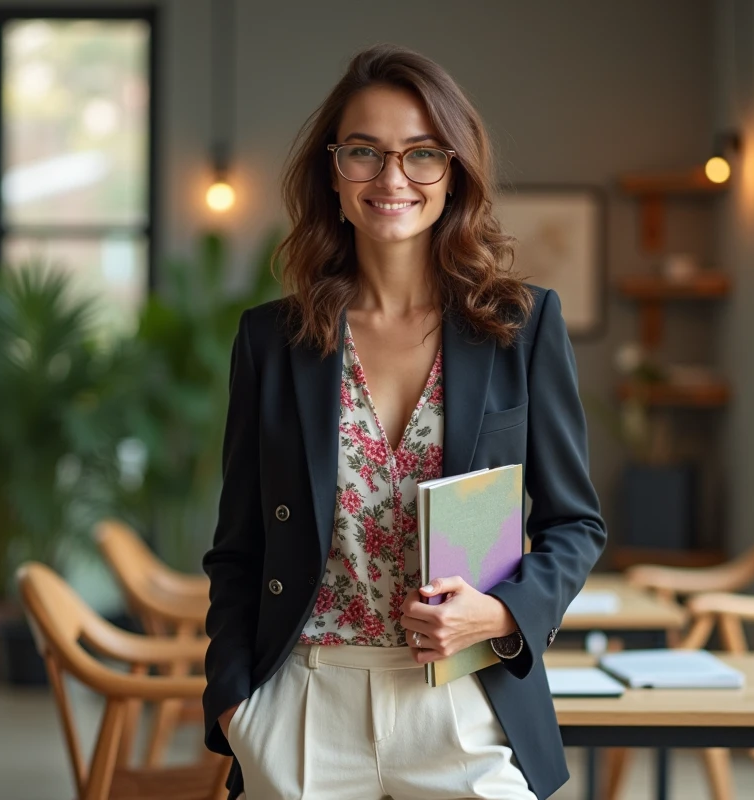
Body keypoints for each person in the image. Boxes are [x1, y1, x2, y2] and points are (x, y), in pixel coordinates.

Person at [202, 43, 606, 800]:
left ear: (453, 173)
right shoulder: (271, 340)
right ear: (332, 171)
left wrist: (502, 613)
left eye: (422, 153)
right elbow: (239, 547)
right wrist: (233, 707)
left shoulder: (521, 327)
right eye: (364, 151)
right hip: (304, 704)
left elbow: (575, 524)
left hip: (465, 700)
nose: (392, 179)